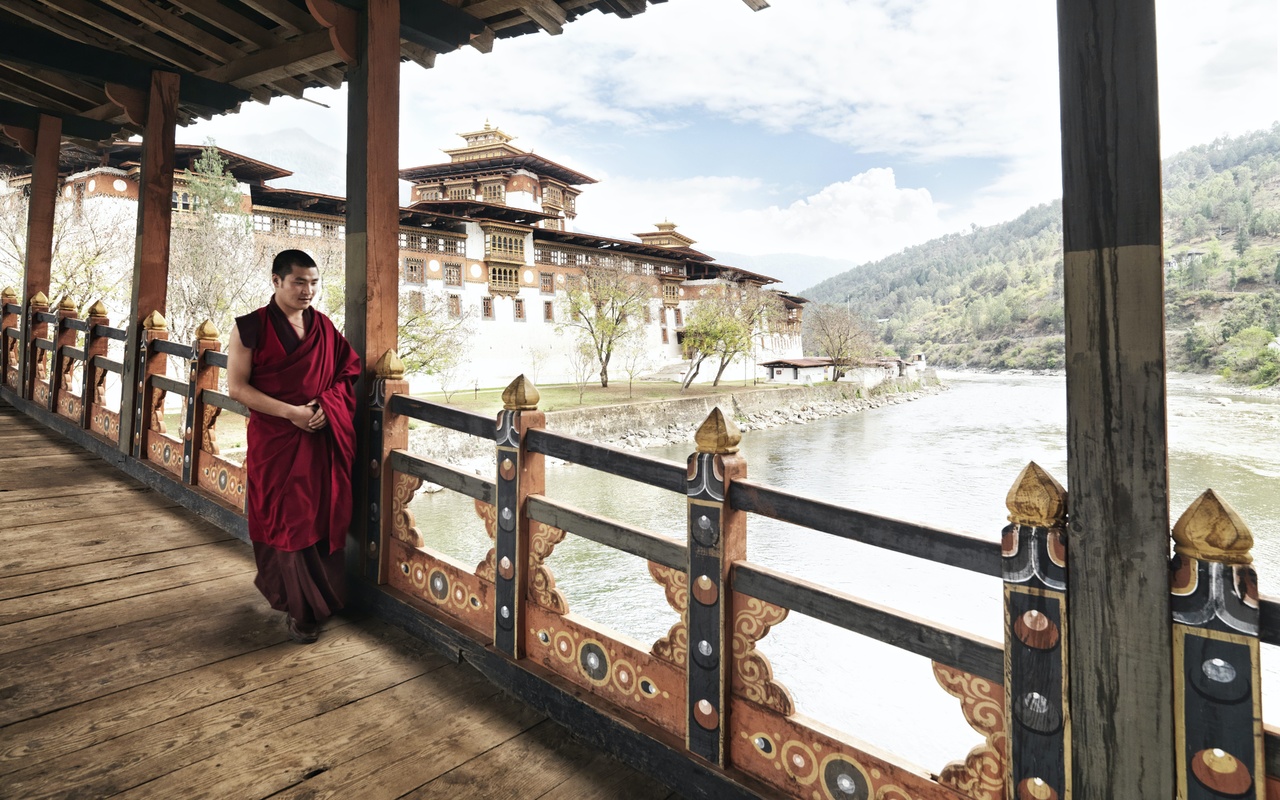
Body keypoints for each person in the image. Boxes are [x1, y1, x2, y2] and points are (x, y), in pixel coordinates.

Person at [227, 249, 361, 643]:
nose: (308, 291)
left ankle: (316, 599)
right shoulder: (249, 328)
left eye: (314, 282)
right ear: (276, 281)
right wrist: (292, 414)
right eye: (299, 282)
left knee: (316, 516)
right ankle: (302, 610)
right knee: (288, 520)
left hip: (320, 438)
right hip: (276, 441)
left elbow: (347, 372)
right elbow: (237, 388)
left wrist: (323, 406)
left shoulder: (323, 326)